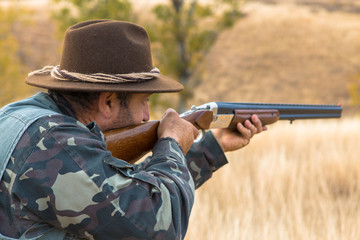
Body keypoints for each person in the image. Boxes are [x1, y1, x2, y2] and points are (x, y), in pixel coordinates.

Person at [0, 20, 265, 240]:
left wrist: (211, 148)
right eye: (145, 102)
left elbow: (115, 192)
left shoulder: (21, 118)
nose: (147, 116)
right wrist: (171, 142)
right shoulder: (56, 144)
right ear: (108, 101)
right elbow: (157, 227)